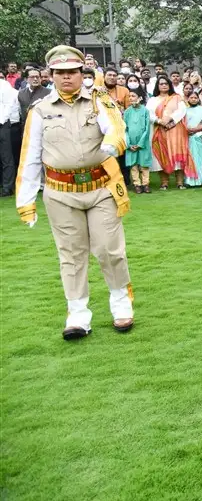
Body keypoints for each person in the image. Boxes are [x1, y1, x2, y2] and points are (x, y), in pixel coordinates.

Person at [15, 45, 134, 339]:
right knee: (71, 254)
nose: (66, 77)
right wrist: (25, 201)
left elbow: (116, 128)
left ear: (82, 74)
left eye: (72, 72)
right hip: (60, 192)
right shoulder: (40, 110)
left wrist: (112, 144)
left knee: (109, 249)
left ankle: (121, 305)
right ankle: (78, 315)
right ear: (50, 76)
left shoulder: (99, 101)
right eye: (60, 73)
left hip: (101, 188)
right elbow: (30, 156)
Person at [148, 74, 191, 190]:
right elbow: (148, 114)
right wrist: (159, 121)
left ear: (169, 85)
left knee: (177, 154)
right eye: (161, 83)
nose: (163, 85)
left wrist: (170, 120)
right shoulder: (152, 100)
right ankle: (164, 183)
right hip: (158, 129)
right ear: (157, 86)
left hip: (175, 129)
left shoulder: (177, 97)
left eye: (166, 83)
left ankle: (180, 182)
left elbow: (182, 110)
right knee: (161, 155)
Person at [182, 90, 202, 187]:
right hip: (188, 137)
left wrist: (198, 128)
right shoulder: (184, 110)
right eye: (191, 98)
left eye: (195, 98)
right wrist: (188, 130)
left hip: (199, 137)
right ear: (188, 99)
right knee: (189, 159)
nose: (193, 99)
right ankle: (189, 181)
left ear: (198, 99)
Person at [123, 89, 153, 193]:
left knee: (144, 165)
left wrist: (140, 143)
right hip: (131, 143)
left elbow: (147, 128)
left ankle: (146, 184)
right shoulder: (127, 112)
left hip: (143, 143)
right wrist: (128, 144)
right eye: (129, 96)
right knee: (133, 165)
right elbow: (124, 129)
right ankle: (137, 184)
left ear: (139, 98)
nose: (131, 98)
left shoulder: (145, 111)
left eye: (133, 96)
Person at [0, 76, 20, 196]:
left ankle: (8, 187)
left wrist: (2, 120)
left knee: (6, 157)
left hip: (2, 124)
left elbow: (9, 105)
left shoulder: (3, 85)